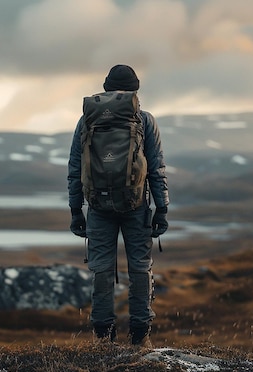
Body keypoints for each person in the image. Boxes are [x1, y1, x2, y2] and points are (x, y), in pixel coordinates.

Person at [67, 64, 169, 346]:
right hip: (136, 207)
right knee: (139, 267)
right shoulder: (144, 120)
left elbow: (75, 168)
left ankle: (102, 338)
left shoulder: (87, 120)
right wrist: (161, 208)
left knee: (100, 269)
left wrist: (76, 210)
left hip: (98, 207)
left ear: (105, 88)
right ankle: (140, 337)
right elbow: (156, 168)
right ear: (136, 89)